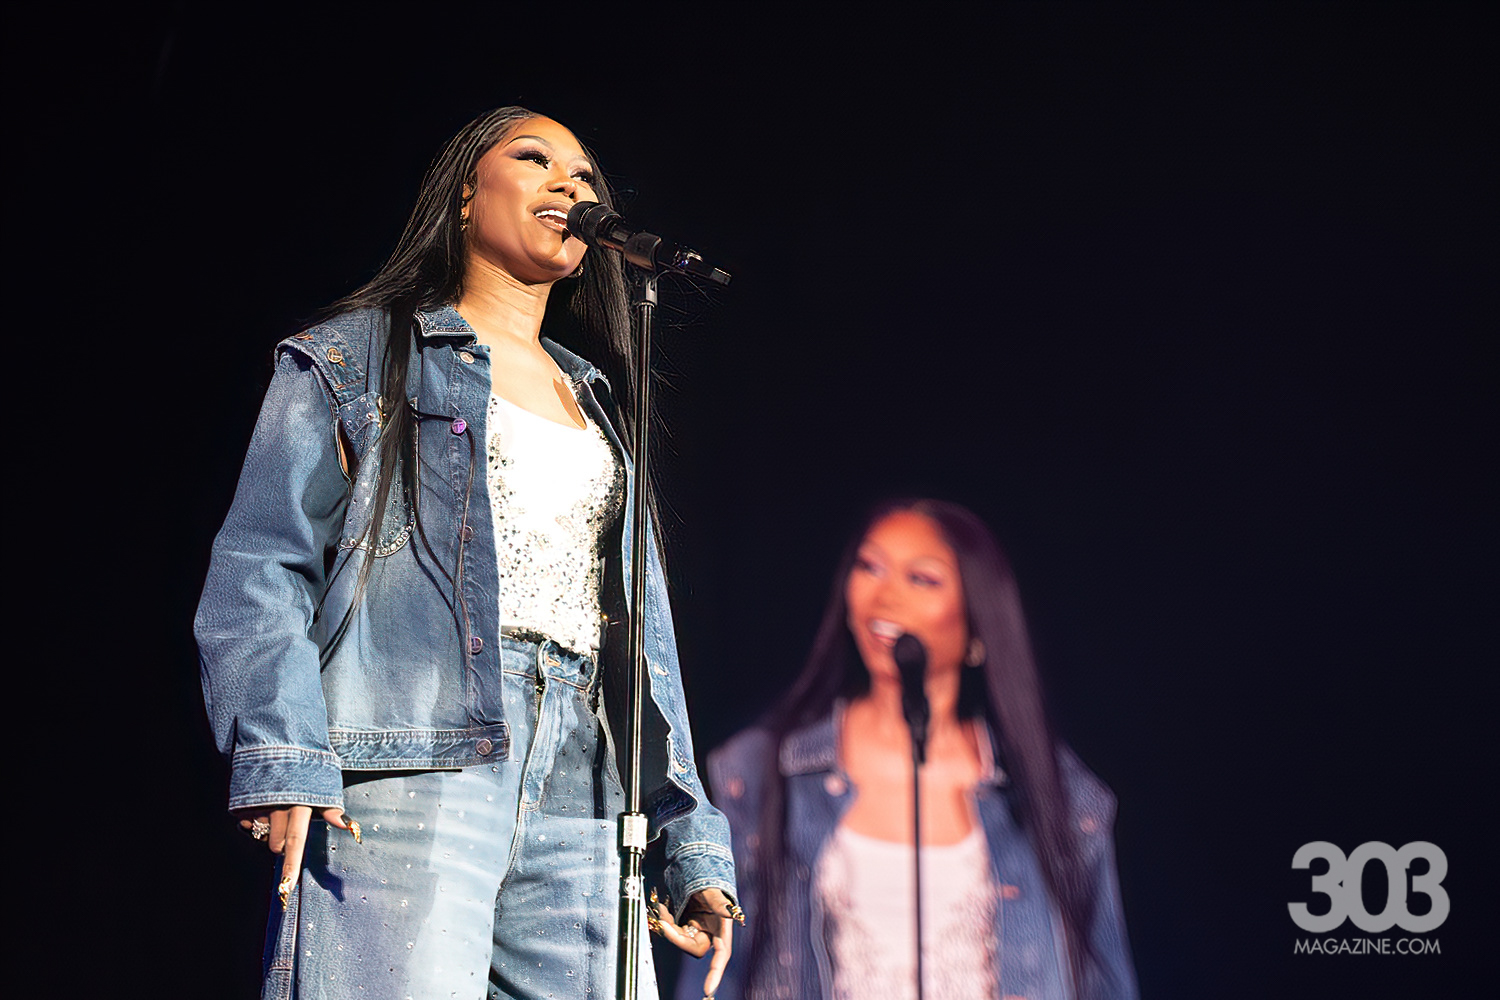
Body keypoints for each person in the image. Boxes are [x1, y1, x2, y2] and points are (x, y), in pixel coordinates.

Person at [195, 106, 737, 1000]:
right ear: (462, 196)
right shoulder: (360, 354)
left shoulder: (595, 400)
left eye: (585, 175)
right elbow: (263, 565)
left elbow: (647, 638)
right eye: (534, 158)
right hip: (417, 750)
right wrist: (283, 751)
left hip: (587, 780)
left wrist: (686, 833)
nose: (570, 184)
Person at [663, 499, 1136, 1000]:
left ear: (978, 620)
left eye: (922, 579)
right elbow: (715, 974)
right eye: (869, 567)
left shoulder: (1055, 792)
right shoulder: (762, 770)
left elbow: (1104, 981)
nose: (885, 596)